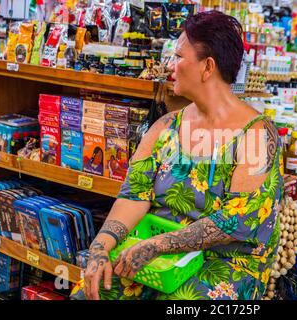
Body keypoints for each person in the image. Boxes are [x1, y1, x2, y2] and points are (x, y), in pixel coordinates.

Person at [73, 11, 284, 300]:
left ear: (207, 67)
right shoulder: (165, 126)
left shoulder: (257, 134)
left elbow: (237, 222)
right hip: (157, 257)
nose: (169, 65)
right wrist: (101, 247)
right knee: (91, 293)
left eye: (178, 57)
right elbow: (135, 194)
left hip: (223, 264)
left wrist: (158, 245)